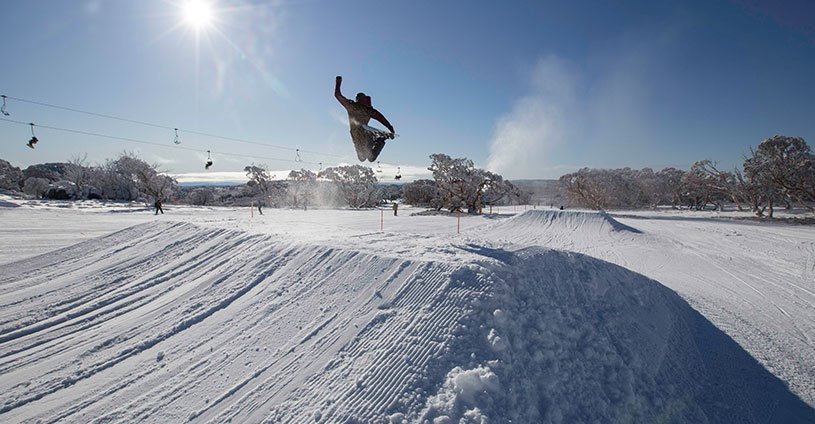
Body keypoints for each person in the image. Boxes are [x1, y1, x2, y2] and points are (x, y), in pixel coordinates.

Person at [335, 76, 395, 162]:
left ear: (357, 100)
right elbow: (381, 118)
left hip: (359, 135)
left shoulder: (351, 106)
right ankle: (379, 140)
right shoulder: (369, 110)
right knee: (366, 158)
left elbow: (338, 95)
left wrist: (338, 82)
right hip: (362, 135)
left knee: (364, 158)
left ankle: (380, 139)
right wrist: (390, 128)